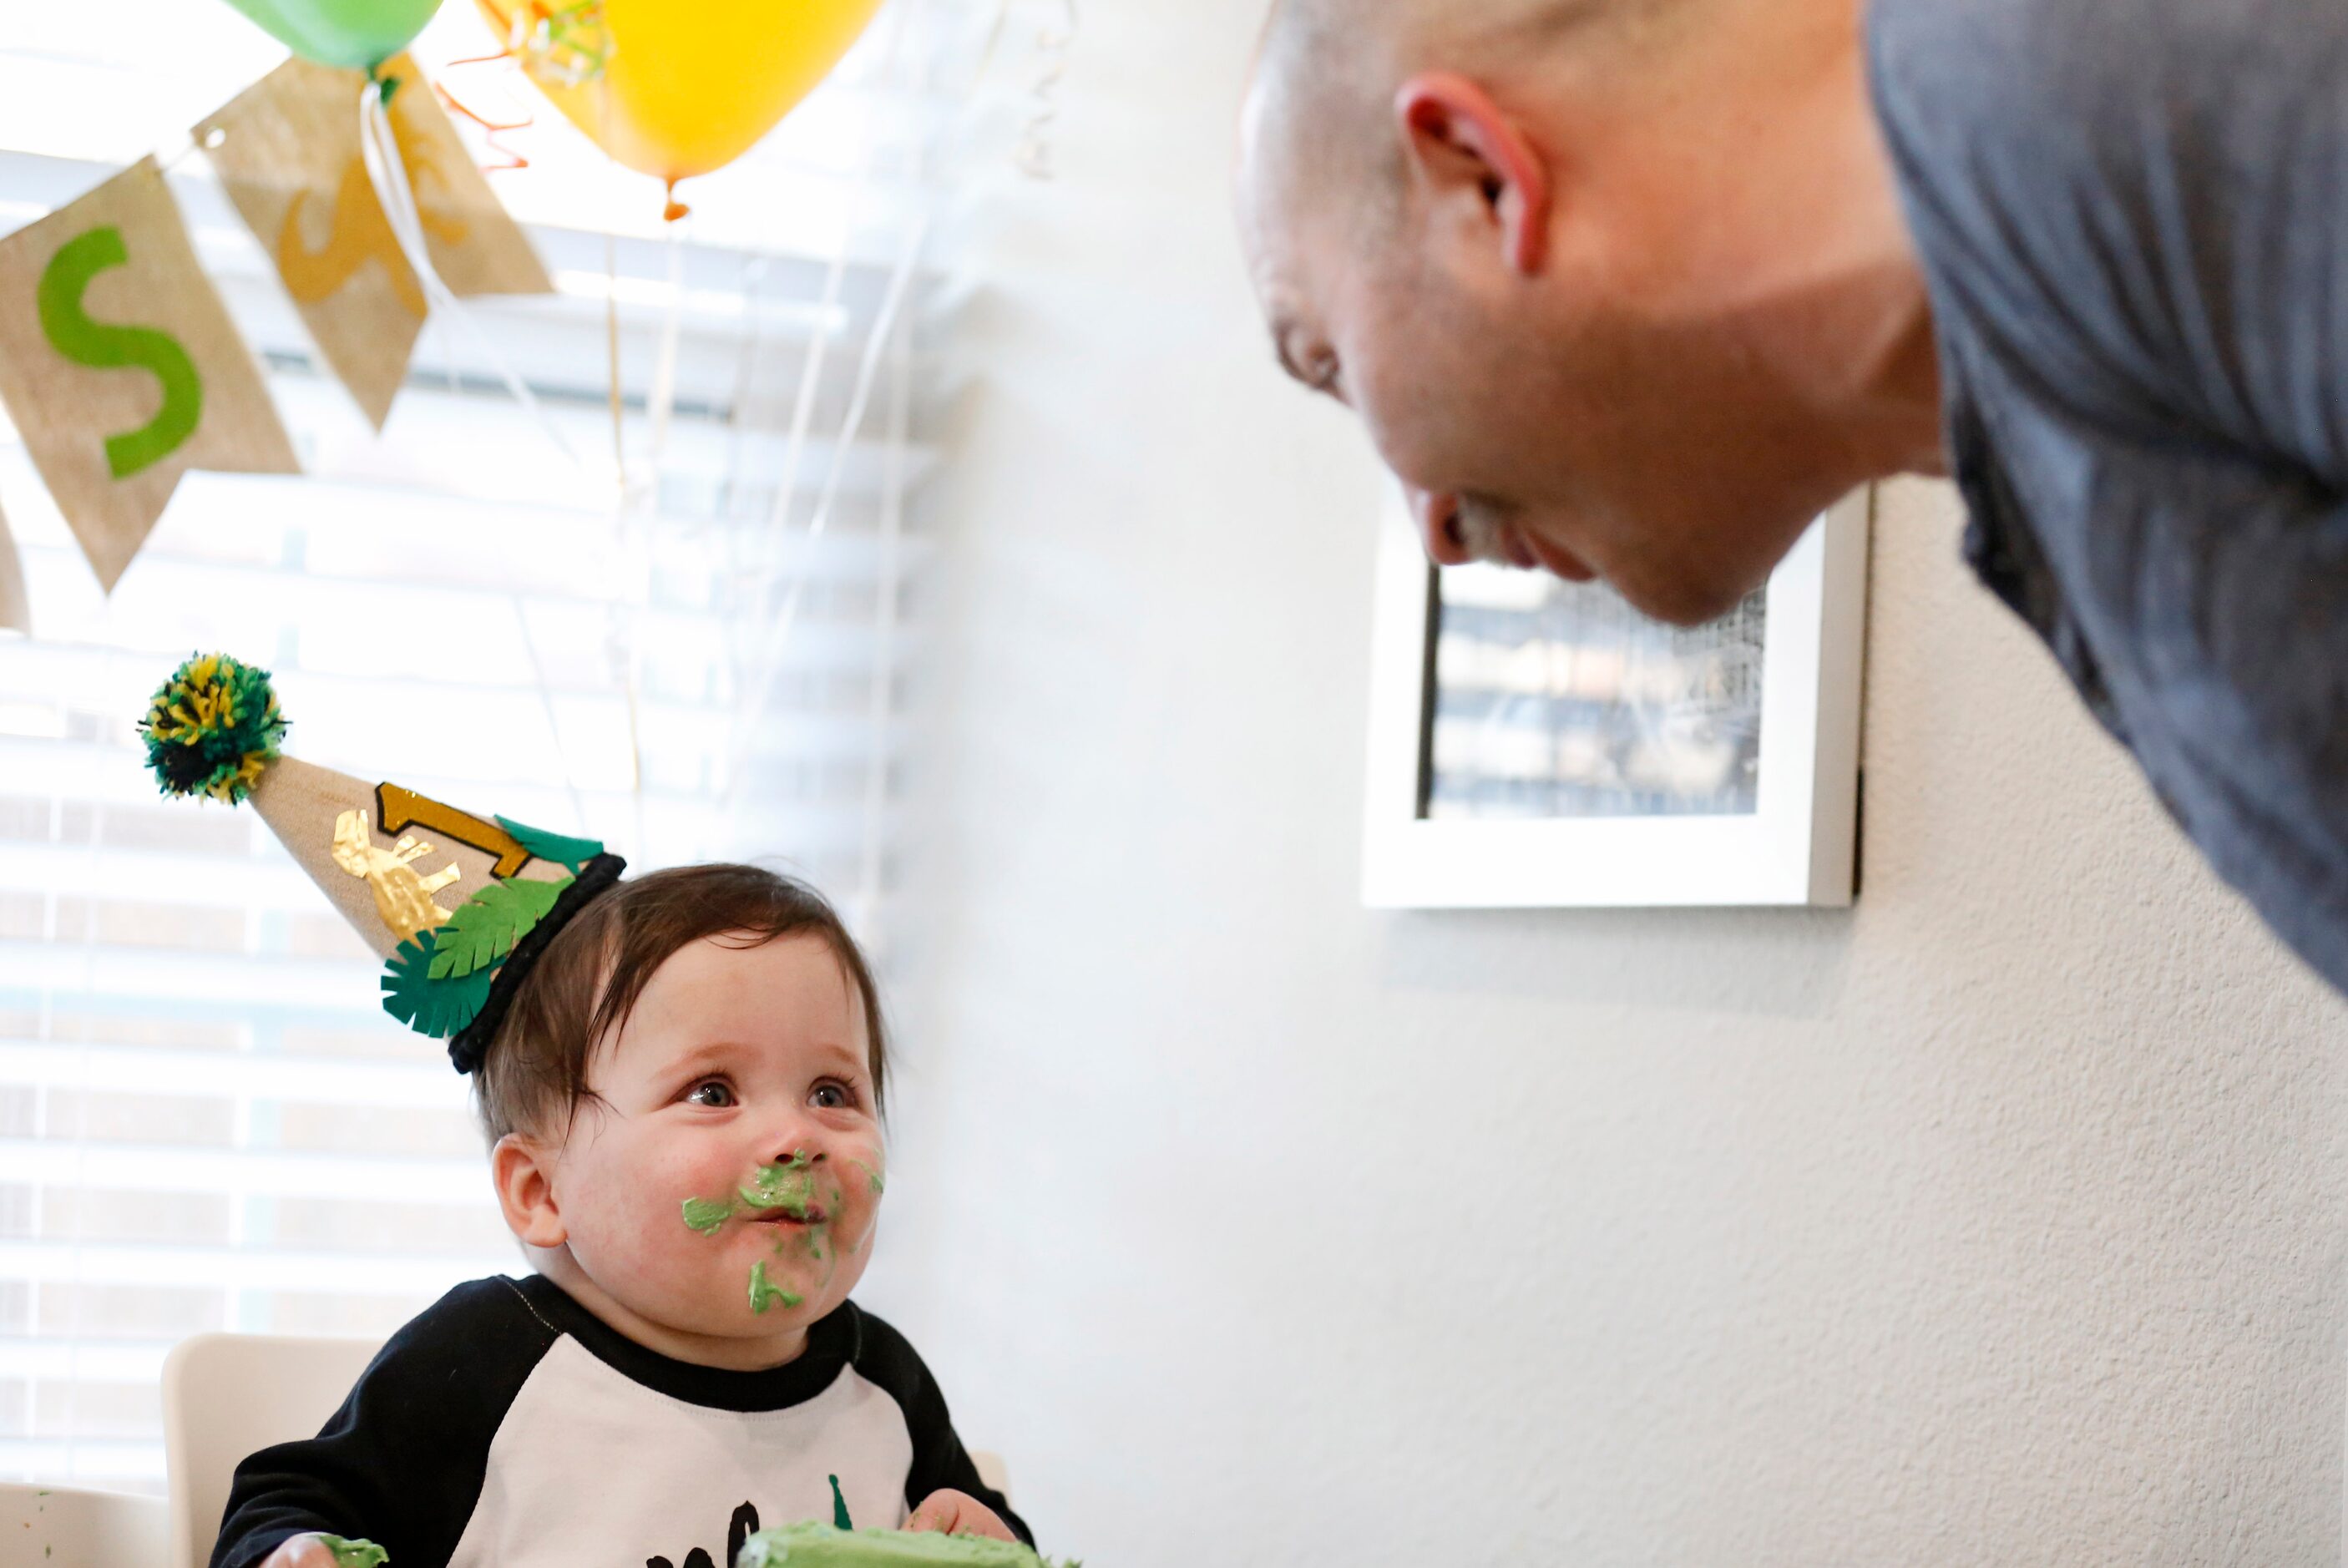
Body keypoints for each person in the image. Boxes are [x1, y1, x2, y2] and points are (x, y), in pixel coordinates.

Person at [1235, 0, 2348, 995]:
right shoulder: (2034, 460)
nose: (1432, 523)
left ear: (1480, 175)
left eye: (1327, 359)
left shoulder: (2075, 72)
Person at [213, 864, 1029, 1568]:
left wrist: (987, 1542)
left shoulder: (879, 1384)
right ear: (542, 1192)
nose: (796, 1136)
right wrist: (298, 1548)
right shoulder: (484, 1363)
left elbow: (1001, 1540)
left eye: (832, 1093)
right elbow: (291, 1503)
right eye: (712, 1092)